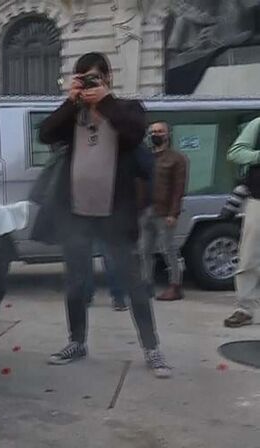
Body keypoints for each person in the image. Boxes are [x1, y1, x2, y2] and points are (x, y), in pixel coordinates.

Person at [39, 52, 171, 378]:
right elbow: (45, 134)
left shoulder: (126, 109)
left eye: (95, 79)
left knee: (134, 284)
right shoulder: (74, 115)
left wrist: (106, 101)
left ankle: (152, 348)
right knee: (75, 284)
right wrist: (71, 102)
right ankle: (77, 341)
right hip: (77, 213)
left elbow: (134, 132)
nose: (89, 85)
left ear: (108, 79)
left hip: (115, 213)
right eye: (83, 79)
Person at [140, 122, 188, 301]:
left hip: (164, 211)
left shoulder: (177, 159)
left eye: (159, 131)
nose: (156, 134)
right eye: (152, 131)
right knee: (144, 250)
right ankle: (146, 284)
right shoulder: (147, 157)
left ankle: (175, 286)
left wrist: (173, 213)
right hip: (146, 210)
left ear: (168, 134)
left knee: (168, 249)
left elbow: (178, 188)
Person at [223, 116, 260, 328]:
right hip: (258, 200)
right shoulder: (258, 124)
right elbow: (235, 152)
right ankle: (245, 308)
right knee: (249, 256)